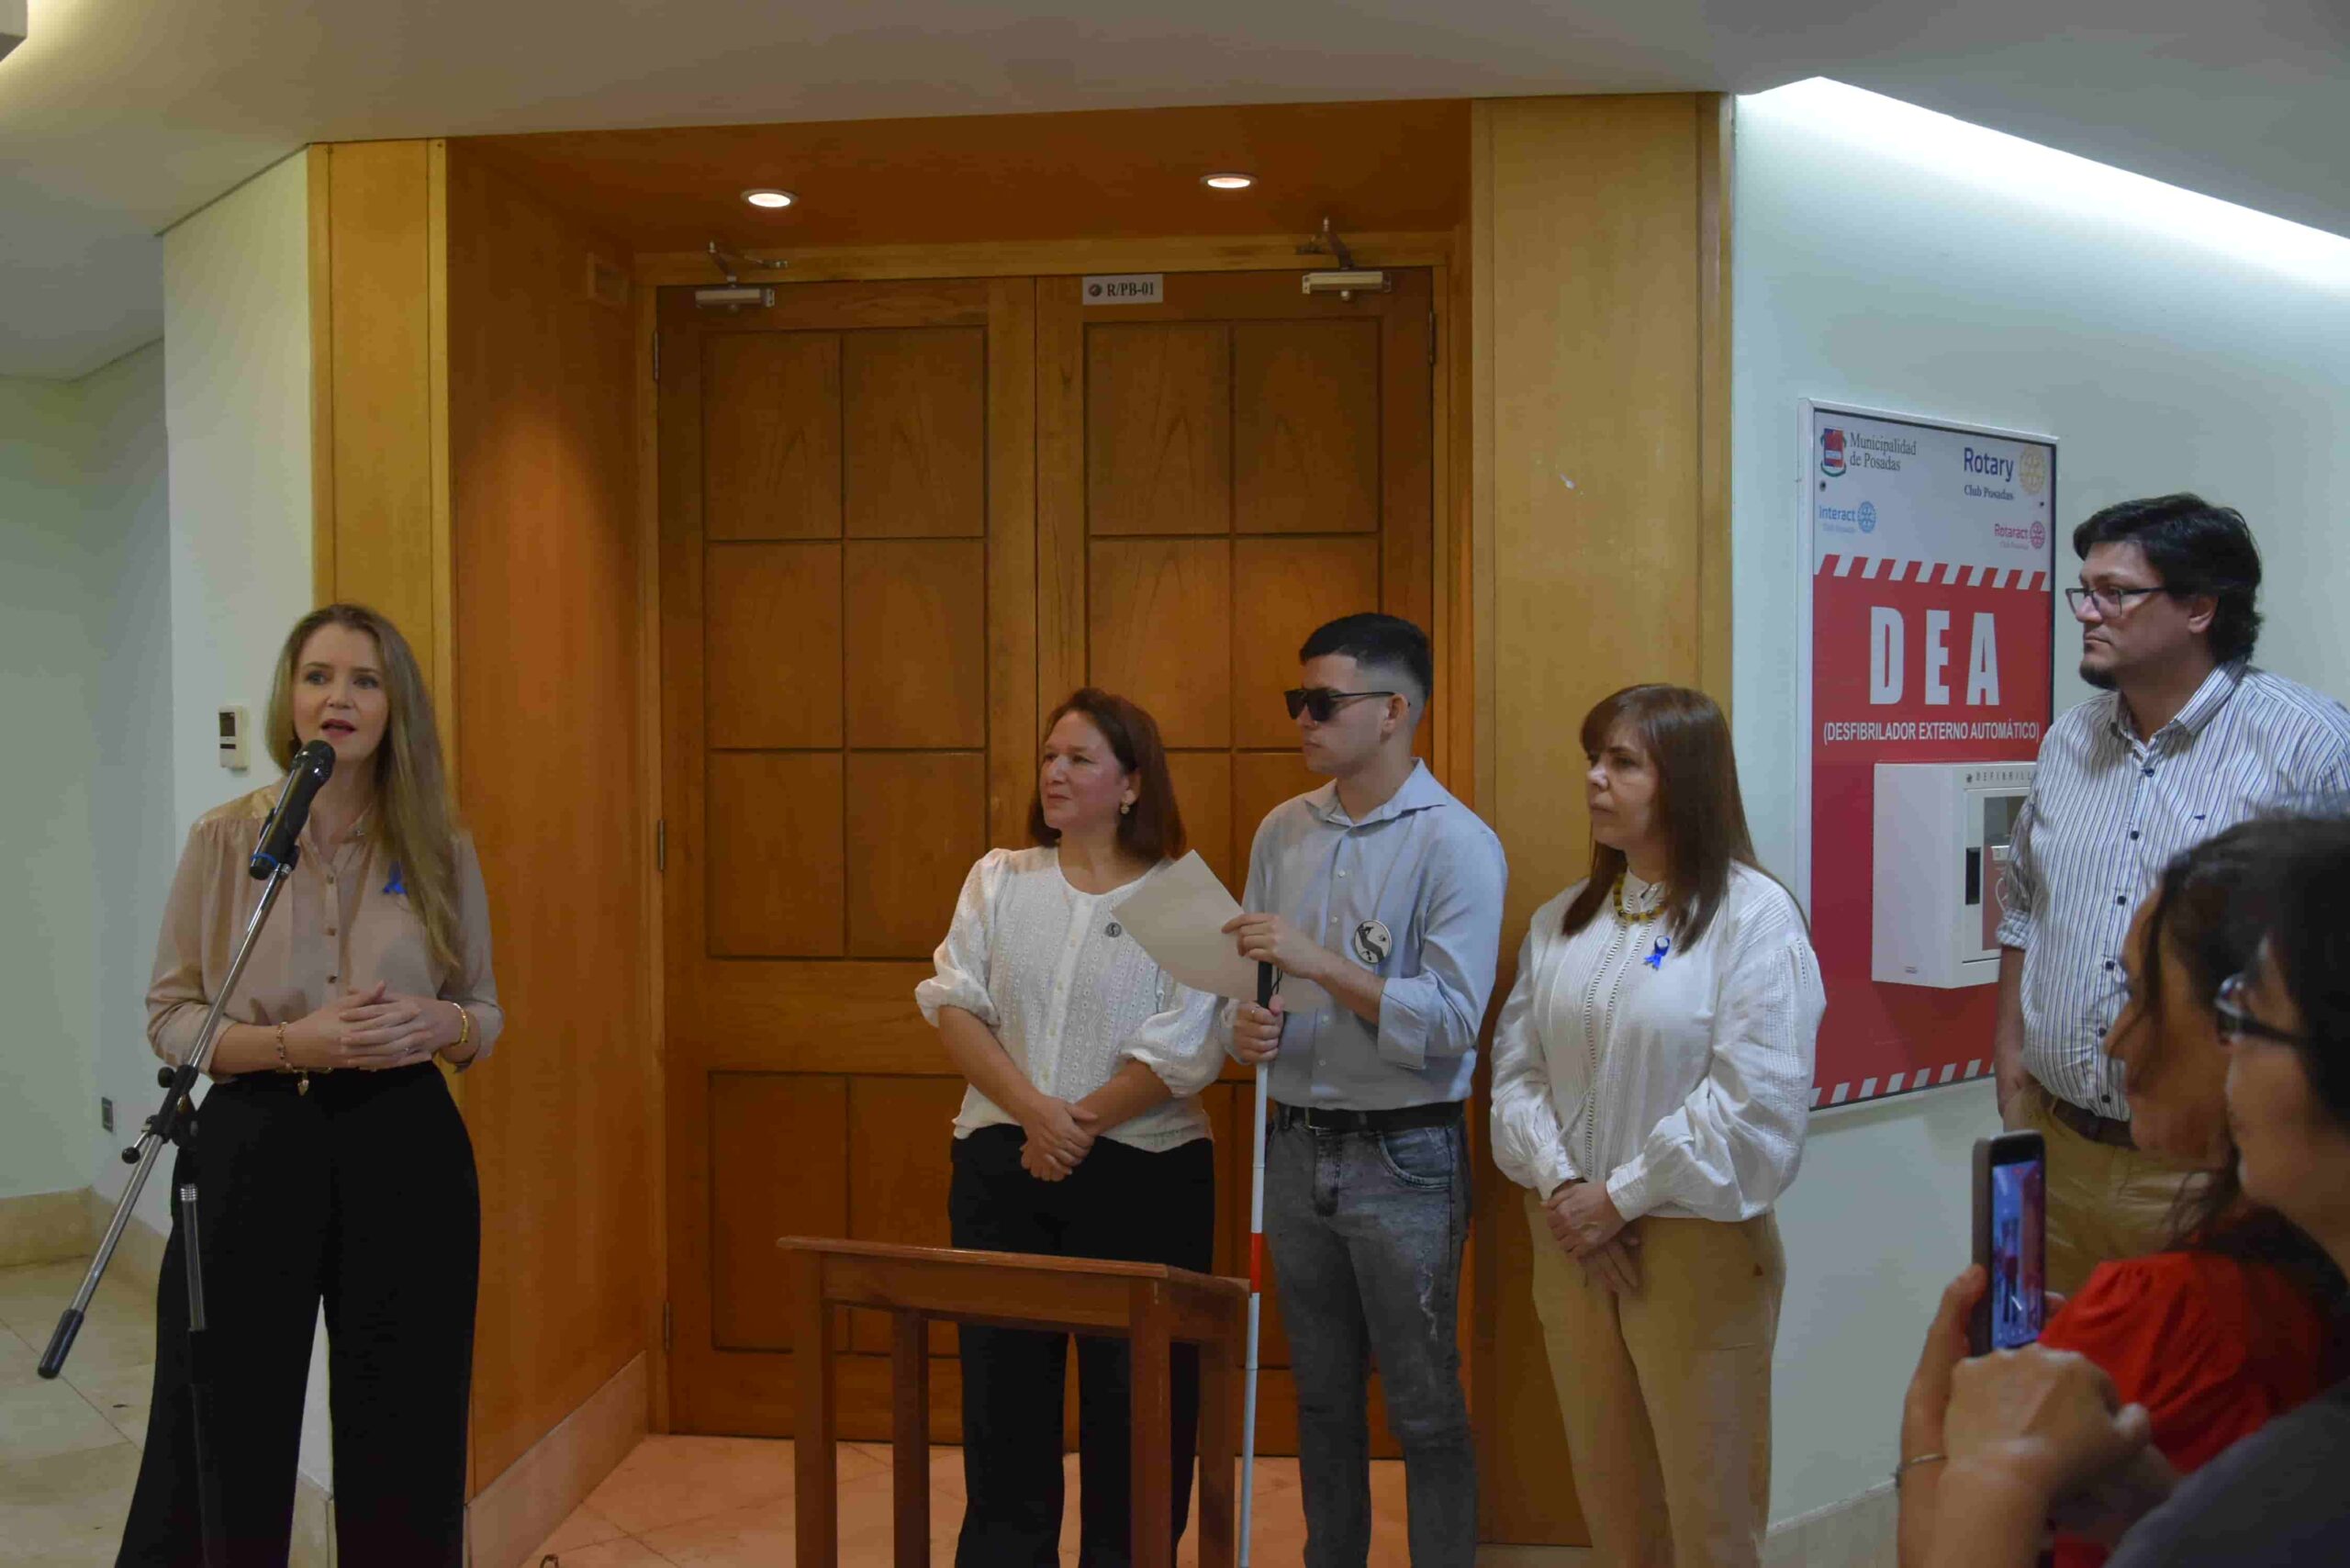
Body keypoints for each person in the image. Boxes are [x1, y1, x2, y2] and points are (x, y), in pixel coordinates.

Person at [118, 605, 501, 1568]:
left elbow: (484, 1010)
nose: (339, 697)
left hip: (404, 1140)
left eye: (364, 679)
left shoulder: (438, 842)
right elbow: (171, 1017)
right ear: (289, 701)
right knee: (223, 1413)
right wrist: (294, 1040)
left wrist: (439, 1024)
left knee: (405, 1417)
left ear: (393, 705)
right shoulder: (224, 841)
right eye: (317, 676)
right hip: (255, 1138)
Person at [1902, 815, 2350, 1567]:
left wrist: (1951, 1449)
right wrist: (2164, 1507)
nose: (2115, 1040)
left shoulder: (2177, 1313)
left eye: (2247, 1017)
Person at [1490, 684, 1821, 1568]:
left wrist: (1622, 1198)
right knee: (1614, 1506)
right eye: (1593, 759)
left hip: (1696, 1244)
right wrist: (1567, 1192)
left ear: (1685, 779)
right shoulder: (1562, 920)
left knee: (1709, 1515)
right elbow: (1517, 1072)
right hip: (1570, 1242)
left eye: (1622, 762)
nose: (1595, 779)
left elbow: (1758, 1103)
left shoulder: (1755, 919)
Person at [1994, 494, 2350, 1294]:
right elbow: (2025, 907)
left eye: (2116, 592)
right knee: (2054, 1383)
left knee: (2203, 1405)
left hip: (2218, 1174)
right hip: (2058, 1151)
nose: (2088, 612)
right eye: (2083, 590)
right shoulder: (2066, 740)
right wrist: (2012, 1072)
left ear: (2198, 607)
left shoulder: (2312, 747)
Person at [916, 688, 1225, 1568]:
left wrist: (1075, 1123)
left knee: (1138, 1418)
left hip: (1145, 1178)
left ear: (1132, 783)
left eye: (1080, 759)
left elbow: (1189, 1047)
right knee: (1003, 1405)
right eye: (1050, 756)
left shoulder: (1184, 894)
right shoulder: (1000, 878)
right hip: (1003, 1166)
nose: (1055, 772)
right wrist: (1036, 1115)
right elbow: (955, 1005)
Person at [1223, 612, 1506, 1568]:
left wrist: (1323, 964)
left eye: (1323, 702)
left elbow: (1454, 1021)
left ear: (1393, 711)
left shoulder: (1455, 843)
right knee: (1320, 1395)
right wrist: (1246, 1023)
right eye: (1297, 701)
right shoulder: (1280, 829)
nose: (1302, 719)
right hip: (1295, 1140)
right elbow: (1256, 980)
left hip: (1406, 1152)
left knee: (1424, 1407)